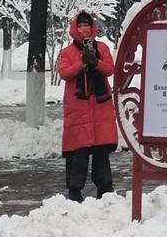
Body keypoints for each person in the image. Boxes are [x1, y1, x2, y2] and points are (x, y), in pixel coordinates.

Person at [57, 11, 118, 201]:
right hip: (78, 109)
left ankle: (105, 190)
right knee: (78, 154)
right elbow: (64, 73)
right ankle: (75, 191)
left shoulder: (102, 48)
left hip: (100, 108)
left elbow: (109, 69)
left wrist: (95, 62)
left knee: (102, 153)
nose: (84, 29)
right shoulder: (67, 52)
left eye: (87, 25)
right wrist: (81, 64)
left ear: (92, 28)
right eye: (80, 26)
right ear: (75, 29)